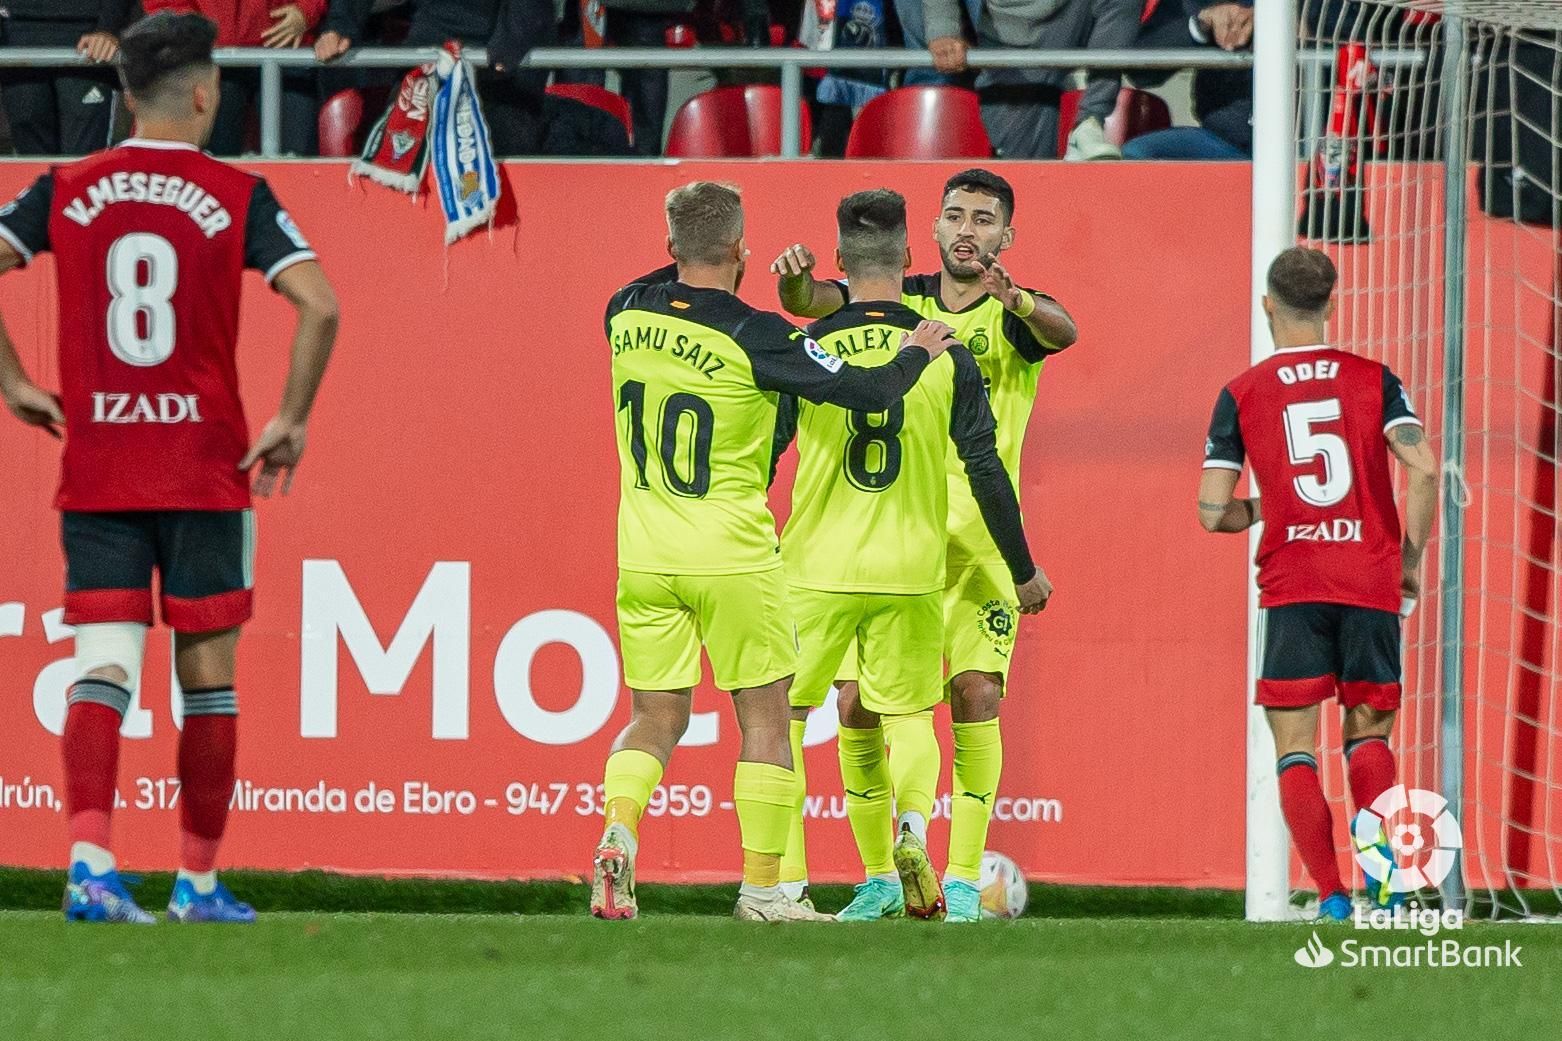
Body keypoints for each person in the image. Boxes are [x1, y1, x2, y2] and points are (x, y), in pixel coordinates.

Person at [0, 12, 339, 924]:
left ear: (124, 94)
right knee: (211, 678)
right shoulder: (236, 191)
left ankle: (89, 869)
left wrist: (15, 381)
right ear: (202, 92)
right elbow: (320, 305)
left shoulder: (67, 186)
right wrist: (292, 420)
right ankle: (195, 882)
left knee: (103, 667)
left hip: (102, 464)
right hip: (204, 469)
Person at [592, 181, 957, 923]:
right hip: (731, 554)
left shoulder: (625, 313)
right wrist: (917, 350)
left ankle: (619, 828)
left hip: (644, 551)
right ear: (741, 250)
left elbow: (659, 281)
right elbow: (869, 391)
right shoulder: (757, 334)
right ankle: (764, 891)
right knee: (765, 720)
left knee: (655, 716)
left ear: (670, 250)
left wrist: (698, 259)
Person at [771, 168, 1077, 921]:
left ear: (1006, 237)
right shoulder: (899, 298)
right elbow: (817, 304)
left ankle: (965, 879)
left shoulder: (1011, 319)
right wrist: (795, 284)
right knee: (857, 707)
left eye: (983, 219)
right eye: (954, 215)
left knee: (975, 695)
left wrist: (1016, 296)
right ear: (931, 233)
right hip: (899, 539)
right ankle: (881, 875)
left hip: (976, 545)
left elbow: (1062, 329)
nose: (967, 229)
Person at [1198, 247, 1438, 919]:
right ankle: (1386, 892)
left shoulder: (1242, 392)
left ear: (1267, 304)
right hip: (1369, 581)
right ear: (1330, 304)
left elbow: (1213, 512)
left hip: (1294, 584)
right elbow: (1422, 467)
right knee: (1370, 739)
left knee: (1295, 748)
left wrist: (1266, 508)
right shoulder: (1374, 378)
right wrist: (1409, 561)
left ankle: (1331, 896)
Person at [314, 0, 556, 156]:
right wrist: (339, 28)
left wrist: (511, 41)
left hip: (501, 75)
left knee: (498, 173)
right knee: (402, 158)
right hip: (429, 55)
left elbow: (532, 12)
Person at [921, 0, 1144, 159]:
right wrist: (943, 30)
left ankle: (1089, 123)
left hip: (1069, 15)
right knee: (1026, 179)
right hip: (1009, 39)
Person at [144, 1, 329, 156]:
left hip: (287, 51)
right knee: (213, 165)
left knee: (296, 163)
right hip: (211, 59)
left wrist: (306, 10)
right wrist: (190, 30)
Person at [0, 1, 135, 156]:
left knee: (85, 161)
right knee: (30, 156)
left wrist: (108, 28)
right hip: (17, 32)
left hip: (88, 38)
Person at [1124, 0, 1252, 160]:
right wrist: (1200, 25)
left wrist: (1289, 24)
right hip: (1226, 142)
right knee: (1139, 154)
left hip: (1291, 144)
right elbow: (1140, 71)